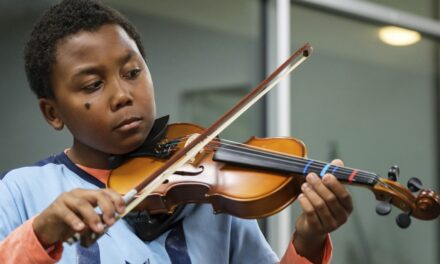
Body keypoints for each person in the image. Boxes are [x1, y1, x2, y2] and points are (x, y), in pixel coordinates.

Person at [0, 0, 353, 263]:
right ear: (52, 112)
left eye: (133, 72)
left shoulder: (209, 195)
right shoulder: (22, 191)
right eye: (93, 84)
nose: (122, 95)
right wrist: (40, 235)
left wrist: (309, 238)